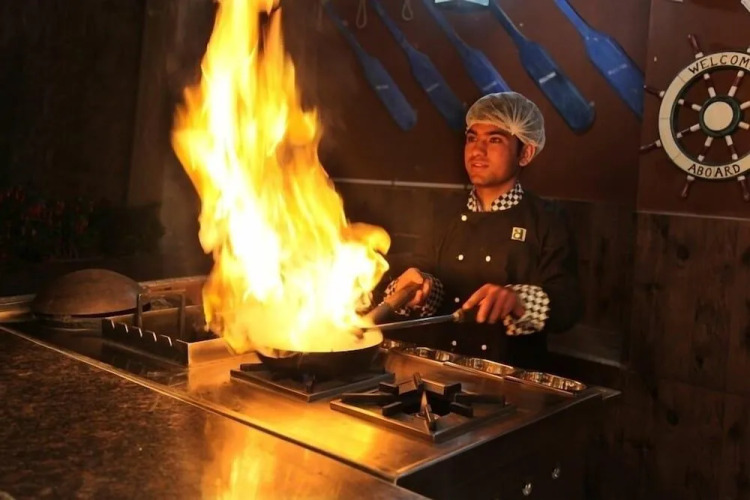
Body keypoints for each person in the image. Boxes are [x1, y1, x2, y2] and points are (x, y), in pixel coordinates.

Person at [382, 91, 582, 371]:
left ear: (525, 153)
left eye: (494, 140)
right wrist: (420, 286)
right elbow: (426, 273)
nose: (477, 150)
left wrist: (518, 300)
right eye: (472, 138)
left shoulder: (548, 220)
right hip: (436, 371)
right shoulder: (444, 212)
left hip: (508, 377)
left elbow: (567, 304)